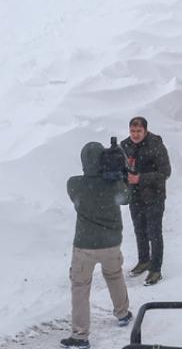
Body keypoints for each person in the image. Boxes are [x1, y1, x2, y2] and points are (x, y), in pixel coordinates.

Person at [62, 142, 132, 348]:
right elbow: (127, 197)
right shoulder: (114, 184)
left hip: (84, 247)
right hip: (111, 244)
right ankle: (123, 313)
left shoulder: (74, 184)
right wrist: (120, 174)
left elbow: (78, 193)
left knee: (80, 288)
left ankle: (80, 335)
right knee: (114, 276)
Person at [120, 117, 172, 286]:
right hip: (135, 197)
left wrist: (140, 178)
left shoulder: (156, 145)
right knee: (139, 230)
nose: (135, 135)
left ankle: (155, 269)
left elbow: (165, 172)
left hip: (154, 196)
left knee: (154, 233)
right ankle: (144, 261)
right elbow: (122, 167)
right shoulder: (125, 145)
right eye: (132, 131)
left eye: (138, 132)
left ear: (145, 130)